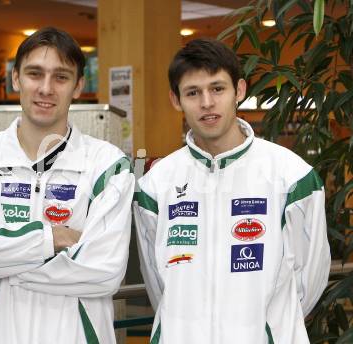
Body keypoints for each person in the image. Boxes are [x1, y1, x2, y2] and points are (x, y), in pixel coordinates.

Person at [0, 27, 134, 344]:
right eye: (34, 73)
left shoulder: (107, 165)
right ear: (16, 79)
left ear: (78, 86)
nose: (46, 88)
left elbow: (104, 272)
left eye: (61, 77)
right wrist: (52, 237)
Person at [133, 38, 330, 344]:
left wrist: (266, 328)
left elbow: (309, 281)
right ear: (176, 100)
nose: (207, 103)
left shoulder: (292, 178)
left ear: (239, 90)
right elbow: (158, 283)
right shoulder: (155, 185)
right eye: (193, 92)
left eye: (217, 89)